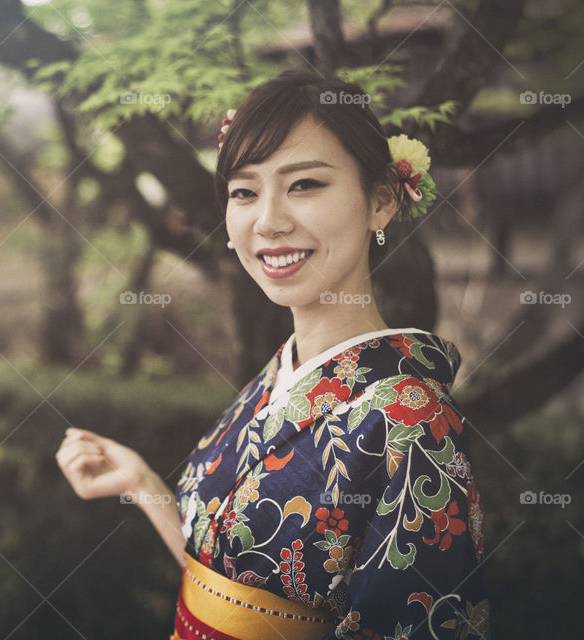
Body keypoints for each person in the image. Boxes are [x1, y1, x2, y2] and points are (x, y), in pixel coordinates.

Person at [56, 69, 490, 640]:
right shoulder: (282, 372)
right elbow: (228, 592)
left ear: (381, 201)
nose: (269, 221)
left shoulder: (413, 421)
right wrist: (140, 483)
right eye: (244, 191)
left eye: (304, 184)